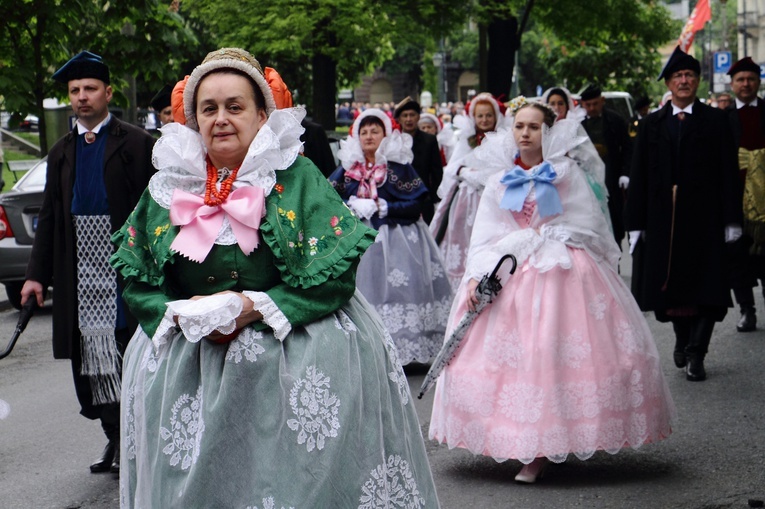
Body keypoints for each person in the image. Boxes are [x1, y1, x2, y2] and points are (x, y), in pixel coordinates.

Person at [110, 48, 439, 507]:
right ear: (193, 119)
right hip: (192, 367)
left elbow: (336, 275)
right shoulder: (170, 184)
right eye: (209, 109)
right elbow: (138, 280)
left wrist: (255, 307)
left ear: (263, 115)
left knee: (295, 484)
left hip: (293, 356)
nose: (221, 119)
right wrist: (176, 314)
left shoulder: (295, 176)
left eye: (234, 106)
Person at [429, 100, 675, 484]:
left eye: (533, 127)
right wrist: (479, 276)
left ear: (549, 132)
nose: (525, 133)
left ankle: (548, 444)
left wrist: (554, 235)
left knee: (550, 355)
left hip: (560, 268)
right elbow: (486, 234)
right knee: (513, 361)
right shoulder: (499, 179)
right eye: (520, 126)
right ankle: (521, 440)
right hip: (510, 268)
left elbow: (588, 223)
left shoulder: (565, 173)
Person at [20, 50, 156, 474]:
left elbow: (156, 211)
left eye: (90, 88)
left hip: (123, 266)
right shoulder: (61, 151)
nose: (82, 97)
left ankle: (140, 442)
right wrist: (35, 277)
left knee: (125, 354)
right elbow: (49, 217)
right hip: (78, 268)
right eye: (75, 90)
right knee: (89, 366)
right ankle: (114, 437)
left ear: (108, 92)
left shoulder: (136, 143)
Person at [626, 46, 742, 382]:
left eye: (690, 75)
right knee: (670, 289)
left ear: (698, 81)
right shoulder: (651, 124)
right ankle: (681, 337)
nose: (684, 80)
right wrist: (635, 225)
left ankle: (697, 353)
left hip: (706, 219)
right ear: (669, 83)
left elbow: (728, 172)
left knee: (708, 285)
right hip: (663, 221)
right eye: (677, 76)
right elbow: (640, 176)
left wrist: (732, 220)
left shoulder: (716, 121)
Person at [328, 108, 452, 364]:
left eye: (375, 131)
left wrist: (385, 207)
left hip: (398, 242)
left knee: (400, 290)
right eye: (364, 132)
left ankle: (404, 348)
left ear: (386, 135)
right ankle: (368, 348)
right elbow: (329, 200)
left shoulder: (399, 168)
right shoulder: (348, 169)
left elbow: (417, 204)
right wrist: (350, 205)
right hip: (359, 242)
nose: (369, 136)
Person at [429, 92, 506, 290]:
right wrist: (465, 171)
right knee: (463, 237)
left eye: (489, 115)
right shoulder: (467, 139)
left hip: (493, 197)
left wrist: (483, 175)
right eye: (480, 116)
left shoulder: (504, 138)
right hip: (466, 199)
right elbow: (454, 166)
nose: (484, 119)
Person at [725, 56, 765, 332]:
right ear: (732, 84)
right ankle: (747, 310)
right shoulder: (722, 119)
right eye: (740, 80)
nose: (746, 84)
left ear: (758, 82)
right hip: (735, 197)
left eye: (751, 79)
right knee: (739, 259)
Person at [580, 84, 632, 246]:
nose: (592, 108)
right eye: (588, 105)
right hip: (587, 181)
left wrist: (625, 172)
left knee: (614, 221)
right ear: (582, 105)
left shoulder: (616, 120)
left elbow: (628, 148)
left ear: (602, 101)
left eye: (595, 104)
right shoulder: (579, 124)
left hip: (612, 177)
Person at [394, 97, 443, 223]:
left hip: (424, 199)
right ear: (399, 119)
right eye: (405, 115)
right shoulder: (392, 142)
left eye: (412, 115)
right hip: (399, 199)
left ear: (418, 117)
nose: (409, 119)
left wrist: (433, 196)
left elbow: (437, 172)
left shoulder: (430, 140)